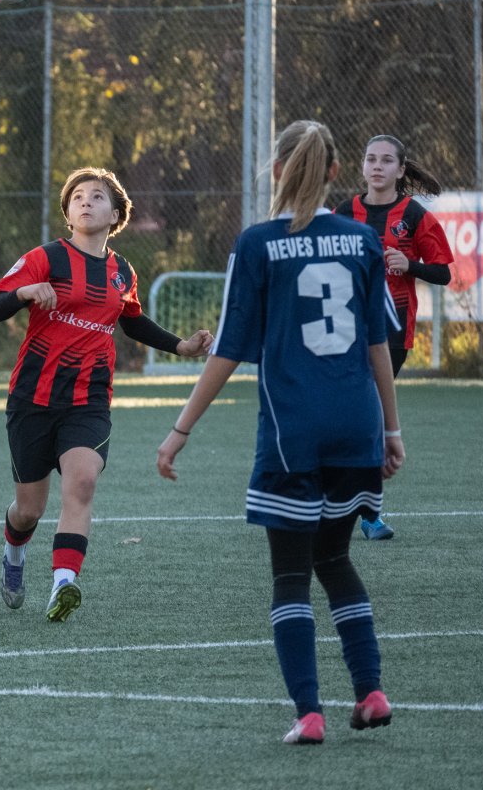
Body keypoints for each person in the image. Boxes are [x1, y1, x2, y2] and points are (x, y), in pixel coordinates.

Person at [156, 120, 404, 745]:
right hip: (357, 426)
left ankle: (309, 713)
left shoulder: (259, 243)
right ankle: (371, 692)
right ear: (335, 172)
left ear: (275, 171)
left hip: (294, 432)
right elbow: (379, 342)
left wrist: (180, 429)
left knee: (291, 577)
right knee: (336, 558)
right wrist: (391, 429)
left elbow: (228, 350)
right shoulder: (362, 239)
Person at [0, 167, 213, 622]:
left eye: (96, 196)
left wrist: (181, 346)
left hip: (88, 399)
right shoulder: (45, 257)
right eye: (77, 197)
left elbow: (132, 321)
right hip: (33, 398)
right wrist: (26, 291)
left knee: (83, 482)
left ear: (115, 215)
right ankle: (13, 555)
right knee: (29, 510)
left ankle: (63, 583)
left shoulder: (121, 271)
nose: (86, 202)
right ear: (68, 214)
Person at [334, 134, 453, 540]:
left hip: (392, 332)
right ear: (362, 166)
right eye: (371, 159)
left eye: (387, 160)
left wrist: (410, 264)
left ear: (401, 170)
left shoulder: (415, 215)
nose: (377, 166)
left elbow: (443, 272)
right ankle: (354, 506)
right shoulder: (344, 212)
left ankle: (367, 513)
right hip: (344, 330)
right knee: (351, 417)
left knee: (367, 416)